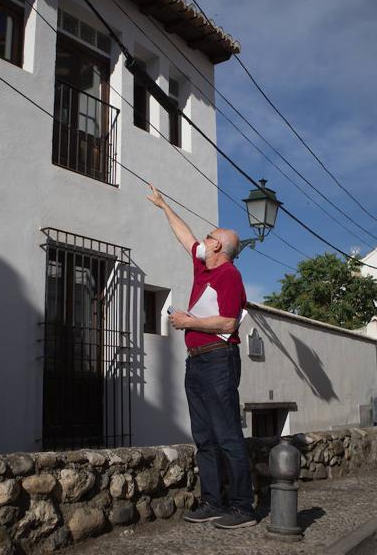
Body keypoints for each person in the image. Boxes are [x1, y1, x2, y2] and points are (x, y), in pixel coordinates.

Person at [146, 184, 256, 529]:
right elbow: (186, 237)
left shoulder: (229, 276)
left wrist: (189, 321)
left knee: (226, 436)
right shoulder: (204, 267)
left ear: (219, 245)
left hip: (219, 360)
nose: (203, 240)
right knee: (204, 438)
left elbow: (227, 321)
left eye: (209, 237)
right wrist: (164, 205)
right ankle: (212, 502)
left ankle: (243, 508)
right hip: (197, 362)